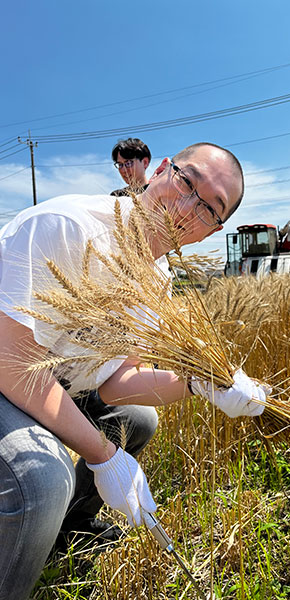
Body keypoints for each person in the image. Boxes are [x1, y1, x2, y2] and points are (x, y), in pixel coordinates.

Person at [0, 142, 272, 600]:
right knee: (43, 481)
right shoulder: (67, 227)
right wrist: (102, 455)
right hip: (7, 376)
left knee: (139, 419)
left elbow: (117, 380)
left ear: (212, 231)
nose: (188, 207)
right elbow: (12, 361)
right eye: (187, 182)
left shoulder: (157, 278)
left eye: (209, 208)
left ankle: (70, 529)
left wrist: (200, 383)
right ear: (162, 170)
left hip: (49, 382)